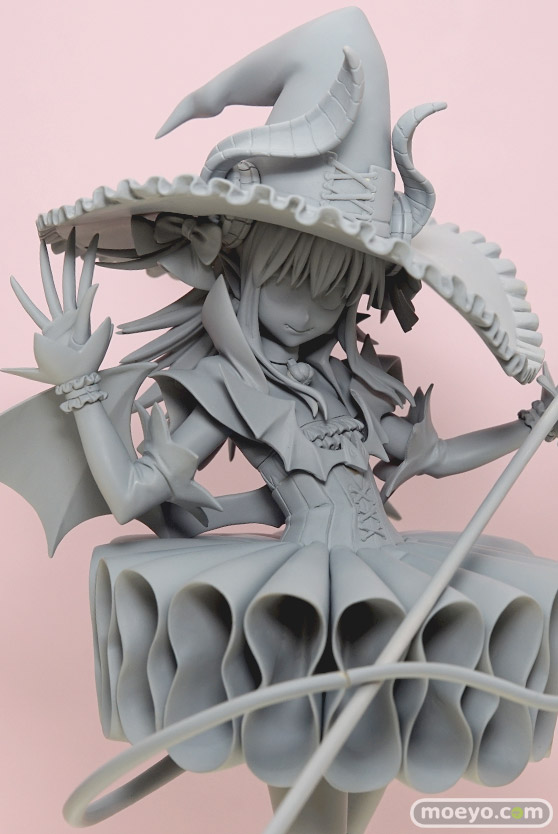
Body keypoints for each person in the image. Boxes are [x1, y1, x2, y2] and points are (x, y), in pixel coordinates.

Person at [3, 8, 558, 834]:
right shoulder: (229, 386)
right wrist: (82, 390)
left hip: (388, 579)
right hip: (298, 597)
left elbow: (434, 457)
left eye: (335, 288)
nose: (312, 310)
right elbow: (129, 494)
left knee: (367, 758)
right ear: (241, 263)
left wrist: (530, 428)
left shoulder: (350, 386)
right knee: (307, 768)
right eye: (295, 280)